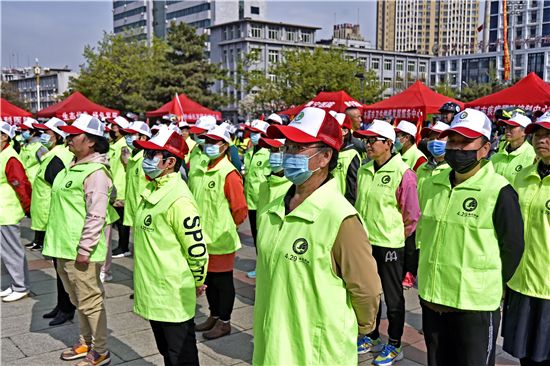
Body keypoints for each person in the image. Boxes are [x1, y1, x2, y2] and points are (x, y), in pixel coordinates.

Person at [253, 107, 381, 365]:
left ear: (325, 157)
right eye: (287, 146)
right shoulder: (273, 209)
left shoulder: (341, 218)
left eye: (298, 148)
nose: (288, 155)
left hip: (316, 353)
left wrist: (362, 328)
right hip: (272, 346)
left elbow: (366, 290)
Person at [416, 108, 524, 366]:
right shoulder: (433, 183)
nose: (456, 148)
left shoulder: (499, 191)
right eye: (452, 141)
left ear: (485, 149)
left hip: (474, 305)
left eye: (466, 142)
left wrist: (488, 284)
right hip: (433, 300)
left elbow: (513, 247)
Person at [131, 128, 208, 366]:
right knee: (166, 350)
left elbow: (197, 248)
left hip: (172, 290)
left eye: (152, 155)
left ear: (170, 162)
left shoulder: (179, 198)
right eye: (146, 154)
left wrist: (198, 279)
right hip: (154, 286)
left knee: (180, 355)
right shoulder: (154, 188)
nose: (145, 160)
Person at [42, 114, 113, 365]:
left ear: (92, 141)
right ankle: (85, 342)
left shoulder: (95, 171)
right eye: (68, 134)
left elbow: (96, 214)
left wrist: (85, 248)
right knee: (77, 300)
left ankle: (101, 349)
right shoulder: (71, 165)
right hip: (62, 246)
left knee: (91, 301)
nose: (68, 138)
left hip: (79, 250)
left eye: (74, 134)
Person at [354, 120, 421, 365]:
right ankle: (371, 336)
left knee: (393, 297)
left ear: (389, 144)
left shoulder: (404, 173)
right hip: (365, 243)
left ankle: (394, 343)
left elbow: (411, 215)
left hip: (390, 245)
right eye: (366, 140)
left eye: (373, 140)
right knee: (369, 294)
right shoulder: (364, 169)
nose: (368, 145)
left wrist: (395, 235)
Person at [188, 124, 248, 340]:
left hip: (220, 239)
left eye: (215, 142)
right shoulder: (202, 168)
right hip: (201, 238)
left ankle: (225, 321)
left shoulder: (228, 172)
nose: (209, 145)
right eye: (208, 141)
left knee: (223, 282)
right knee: (210, 281)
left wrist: (228, 226)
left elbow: (240, 208)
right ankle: (214, 315)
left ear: (225, 146)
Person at [502, 115, 550, 366]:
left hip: (548, 286)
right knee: (525, 354)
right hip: (521, 280)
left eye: (548, 135)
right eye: (538, 134)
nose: (542, 140)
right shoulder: (524, 176)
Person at [30, 118, 77, 325]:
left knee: (63, 267)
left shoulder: (57, 157)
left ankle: (67, 308)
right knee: (59, 267)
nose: (42, 136)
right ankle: (62, 305)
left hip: (56, 217)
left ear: (58, 136)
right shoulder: (53, 155)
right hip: (51, 217)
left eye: (46, 132)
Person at [247, 137, 292, 279]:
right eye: (271, 151)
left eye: (278, 151)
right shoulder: (266, 183)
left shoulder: (293, 186)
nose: (273, 155)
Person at [0, 122, 32, 303]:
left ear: (4, 136)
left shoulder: (10, 157)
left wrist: (28, 207)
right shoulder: (4, 154)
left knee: (12, 250)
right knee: (6, 251)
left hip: (7, 211)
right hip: (3, 210)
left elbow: (21, 184)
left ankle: (21, 287)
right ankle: (16, 284)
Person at [106, 116, 132, 259]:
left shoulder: (124, 147)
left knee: (122, 221)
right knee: (117, 220)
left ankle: (124, 247)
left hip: (121, 189)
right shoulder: (114, 145)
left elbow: (127, 167)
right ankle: (121, 246)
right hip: (114, 188)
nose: (111, 130)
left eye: (114, 127)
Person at [243, 120, 271, 249]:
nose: (253, 135)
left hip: (263, 200)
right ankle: (258, 266)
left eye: (257, 133)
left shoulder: (269, 153)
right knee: (255, 234)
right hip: (250, 201)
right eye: (252, 132)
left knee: (264, 235)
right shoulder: (249, 153)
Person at [491, 113, 536, 184]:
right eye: (506, 127)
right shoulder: (495, 157)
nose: (507, 130)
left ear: (524, 132)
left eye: (512, 127)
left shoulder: (533, 156)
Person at [331, 113, 360, 205]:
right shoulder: (329, 150)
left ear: (345, 131)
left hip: (340, 205)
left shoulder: (351, 154)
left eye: (336, 128)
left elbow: (352, 188)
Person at [416, 122, 450, 193]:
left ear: (449, 140)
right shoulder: (422, 169)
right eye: (431, 139)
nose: (434, 142)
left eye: (438, 138)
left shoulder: (454, 169)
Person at [19, 118, 48, 185]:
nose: (22, 132)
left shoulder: (39, 146)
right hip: (24, 181)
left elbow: (45, 166)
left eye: (25, 130)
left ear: (33, 132)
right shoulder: (23, 145)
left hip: (34, 182)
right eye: (22, 130)